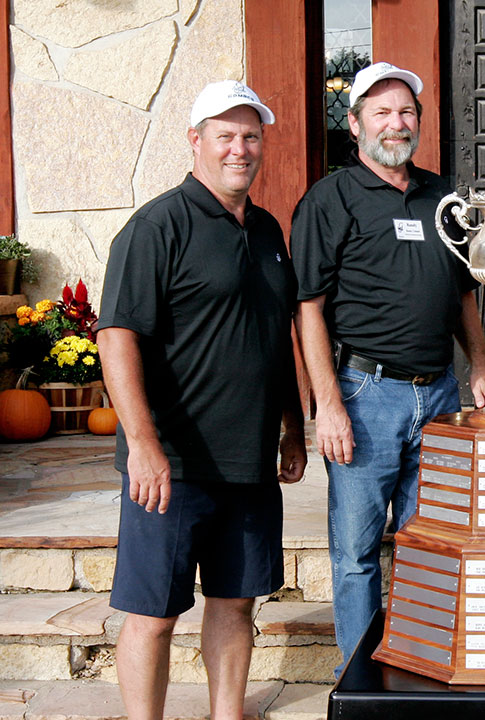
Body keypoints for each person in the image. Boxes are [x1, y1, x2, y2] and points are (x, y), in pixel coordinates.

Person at [97, 80, 307, 720]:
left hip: (248, 464)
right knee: (153, 614)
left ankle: (226, 714)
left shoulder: (269, 229)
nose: (239, 149)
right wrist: (142, 445)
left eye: (250, 136)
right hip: (173, 467)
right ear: (196, 141)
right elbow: (116, 336)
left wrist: (293, 426)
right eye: (225, 136)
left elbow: (275, 337)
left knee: (235, 602)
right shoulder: (156, 227)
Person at [290, 61, 485, 671]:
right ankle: (356, 672)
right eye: (381, 112)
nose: (396, 123)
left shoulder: (444, 197)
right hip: (362, 394)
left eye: (406, 111)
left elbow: (463, 291)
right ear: (354, 124)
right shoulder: (329, 200)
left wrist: (480, 365)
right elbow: (308, 309)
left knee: (426, 541)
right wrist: (326, 405)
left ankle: (416, 661)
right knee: (357, 550)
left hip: (436, 394)